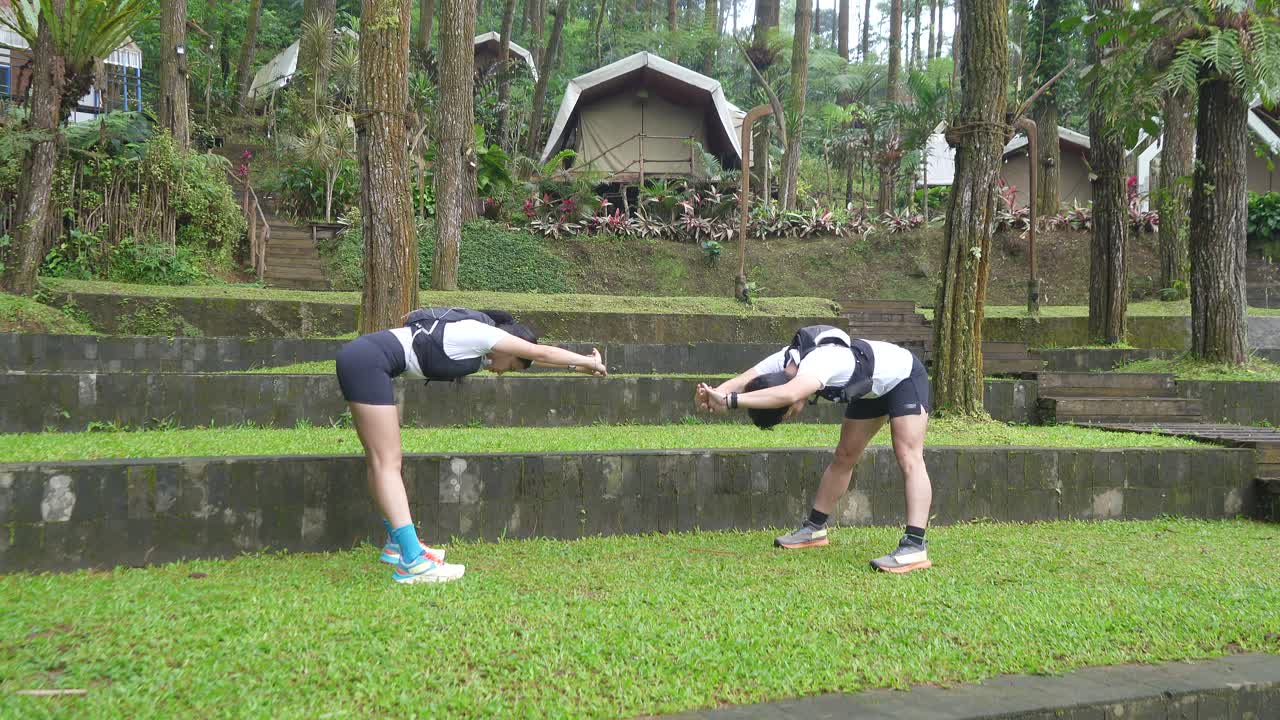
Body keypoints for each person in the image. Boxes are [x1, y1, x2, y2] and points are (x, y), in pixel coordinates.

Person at [336, 307, 608, 584]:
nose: (503, 373)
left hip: (364, 360)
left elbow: (535, 360)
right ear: (509, 347)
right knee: (387, 462)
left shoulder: (481, 352)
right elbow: (541, 353)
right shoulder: (479, 334)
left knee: (378, 461)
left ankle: (398, 545)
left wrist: (579, 365)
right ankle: (412, 562)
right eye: (511, 367)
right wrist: (594, 363)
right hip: (367, 363)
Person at [695, 324, 933, 574]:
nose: (790, 417)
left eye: (785, 416)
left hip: (903, 375)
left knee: (909, 456)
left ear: (787, 406)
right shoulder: (786, 360)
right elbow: (742, 381)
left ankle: (915, 546)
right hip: (869, 388)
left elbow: (788, 393)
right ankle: (814, 529)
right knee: (844, 456)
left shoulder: (817, 366)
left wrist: (732, 401)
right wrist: (710, 395)